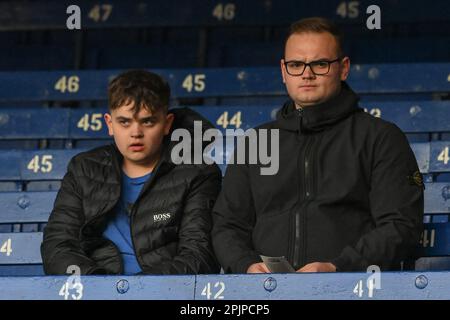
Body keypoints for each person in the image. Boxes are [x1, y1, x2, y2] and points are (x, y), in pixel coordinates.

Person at [211, 17, 424, 273]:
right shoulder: (257, 142)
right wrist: (245, 265)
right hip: (265, 291)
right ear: (283, 71)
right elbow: (227, 226)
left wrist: (338, 267)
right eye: (296, 64)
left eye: (320, 64)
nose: (307, 74)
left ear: (343, 68)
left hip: (352, 288)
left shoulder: (381, 137)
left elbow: (401, 226)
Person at [41, 70, 221, 275]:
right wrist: (99, 288)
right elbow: (57, 245)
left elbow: (199, 254)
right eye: (124, 122)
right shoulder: (84, 169)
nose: (135, 133)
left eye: (147, 121)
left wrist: (136, 291)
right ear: (110, 124)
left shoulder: (197, 173)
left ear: (167, 124)